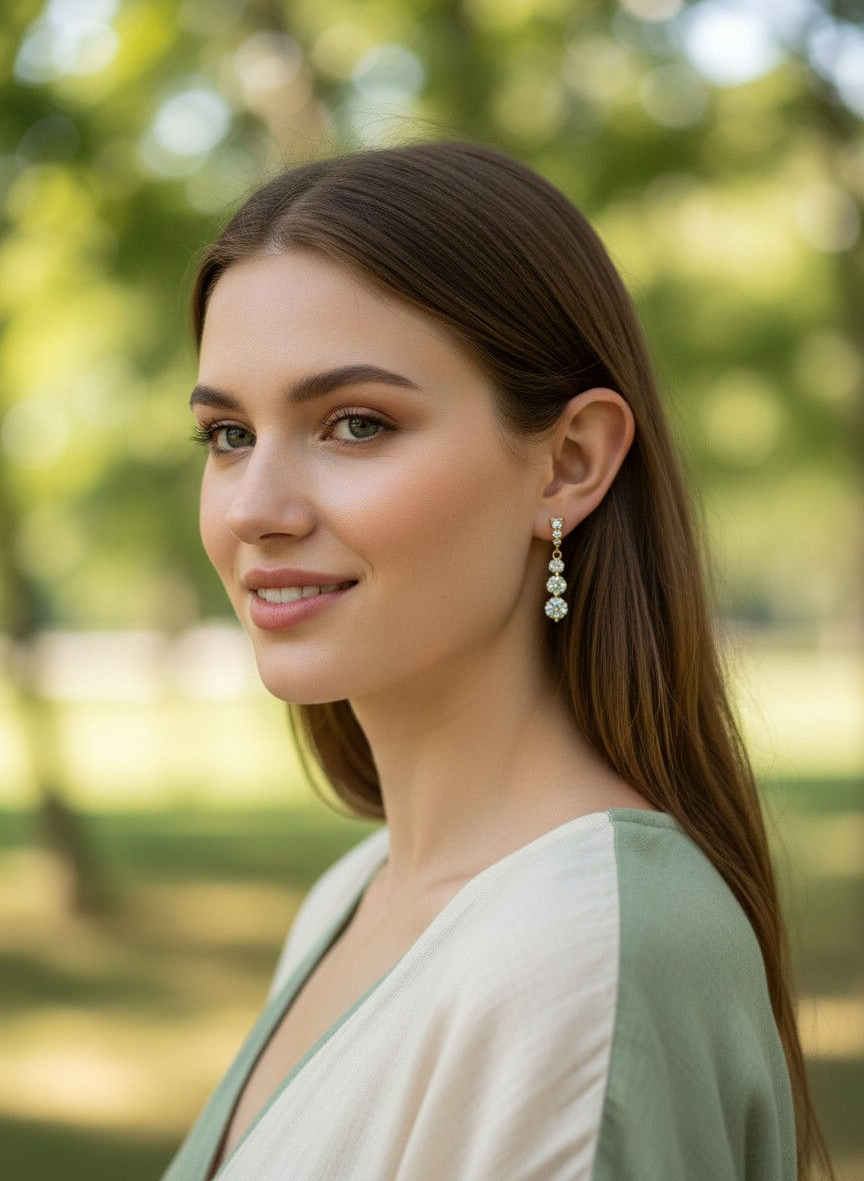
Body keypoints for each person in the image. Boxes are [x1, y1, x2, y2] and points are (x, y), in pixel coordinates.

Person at [160, 140, 830, 1181]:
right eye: (228, 434)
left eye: (355, 423)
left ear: (569, 463)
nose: (254, 508)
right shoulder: (353, 893)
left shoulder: (583, 950)